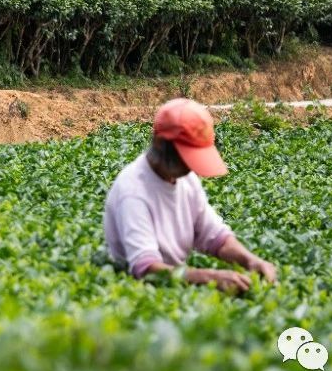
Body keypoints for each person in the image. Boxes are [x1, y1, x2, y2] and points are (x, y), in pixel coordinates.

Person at [104, 98, 278, 293]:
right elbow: (146, 269)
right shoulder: (133, 192)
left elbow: (214, 235)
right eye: (186, 156)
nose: (190, 166)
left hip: (177, 287)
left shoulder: (185, 179)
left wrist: (250, 260)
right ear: (161, 144)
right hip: (140, 295)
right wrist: (210, 277)